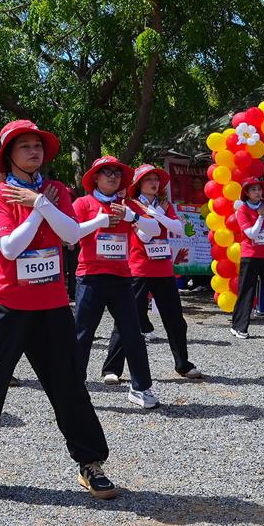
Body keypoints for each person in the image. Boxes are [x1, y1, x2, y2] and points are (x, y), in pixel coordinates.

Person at [0, 119, 121, 504]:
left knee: (69, 386)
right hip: (7, 304)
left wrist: (41, 203)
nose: (33, 151)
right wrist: (38, 211)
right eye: (24, 145)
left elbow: (71, 235)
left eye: (38, 145)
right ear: (9, 155)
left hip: (53, 306)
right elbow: (10, 248)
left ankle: (90, 463)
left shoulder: (55, 191)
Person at [71, 156, 157, 410]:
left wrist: (132, 216)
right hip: (90, 277)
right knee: (81, 335)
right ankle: (74, 389)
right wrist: (99, 221)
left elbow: (153, 230)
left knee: (133, 333)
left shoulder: (127, 205)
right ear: (95, 178)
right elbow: (70, 234)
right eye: (106, 172)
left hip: (121, 279)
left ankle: (141, 387)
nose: (113, 177)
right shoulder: (83, 203)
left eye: (117, 173)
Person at [103, 163, 200, 384]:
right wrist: (160, 215)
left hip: (163, 270)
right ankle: (112, 369)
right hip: (139, 269)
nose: (154, 183)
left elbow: (178, 229)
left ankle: (183, 364)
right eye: (148, 179)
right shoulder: (130, 205)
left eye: (156, 179)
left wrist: (157, 214)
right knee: (127, 319)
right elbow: (145, 236)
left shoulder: (163, 204)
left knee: (175, 320)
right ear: (139, 184)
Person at [229, 179, 264, 339]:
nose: (257, 192)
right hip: (250, 256)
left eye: (259, 189)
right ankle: (239, 327)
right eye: (253, 189)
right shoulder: (242, 210)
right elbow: (251, 234)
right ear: (246, 193)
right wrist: (260, 217)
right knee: (247, 291)